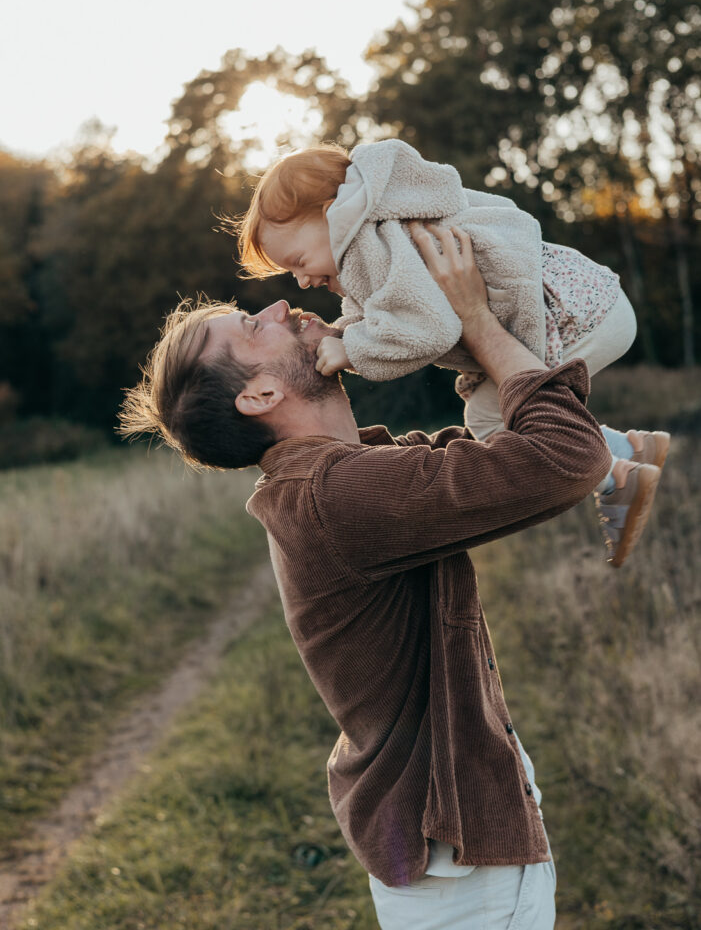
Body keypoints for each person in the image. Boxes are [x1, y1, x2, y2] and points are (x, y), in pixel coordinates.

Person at [120, 224, 656, 928]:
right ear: (258, 396)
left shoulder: (335, 481)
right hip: (459, 854)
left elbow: (498, 457)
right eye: (253, 325)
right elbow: (560, 459)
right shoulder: (336, 495)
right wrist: (473, 318)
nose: (281, 306)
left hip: (439, 838)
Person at [226, 139, 670, 567]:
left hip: (577, 316)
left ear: (331, 216)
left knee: (493, 421)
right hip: (594, 299)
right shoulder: (379, 234)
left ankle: (619, 478)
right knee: (486, 414)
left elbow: (429, 328)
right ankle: (628, 447)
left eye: (299, 261)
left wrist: (352, 350)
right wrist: (342, 333)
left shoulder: (369, 245)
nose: (301, 281)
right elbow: (390, 312)